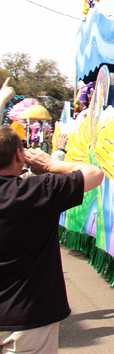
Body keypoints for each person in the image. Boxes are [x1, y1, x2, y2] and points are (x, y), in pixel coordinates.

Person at [0, 125, 104, 354]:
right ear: (19, 155)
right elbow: (94, 174)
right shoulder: (34, 191)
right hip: (29, 318)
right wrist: (51, 165)